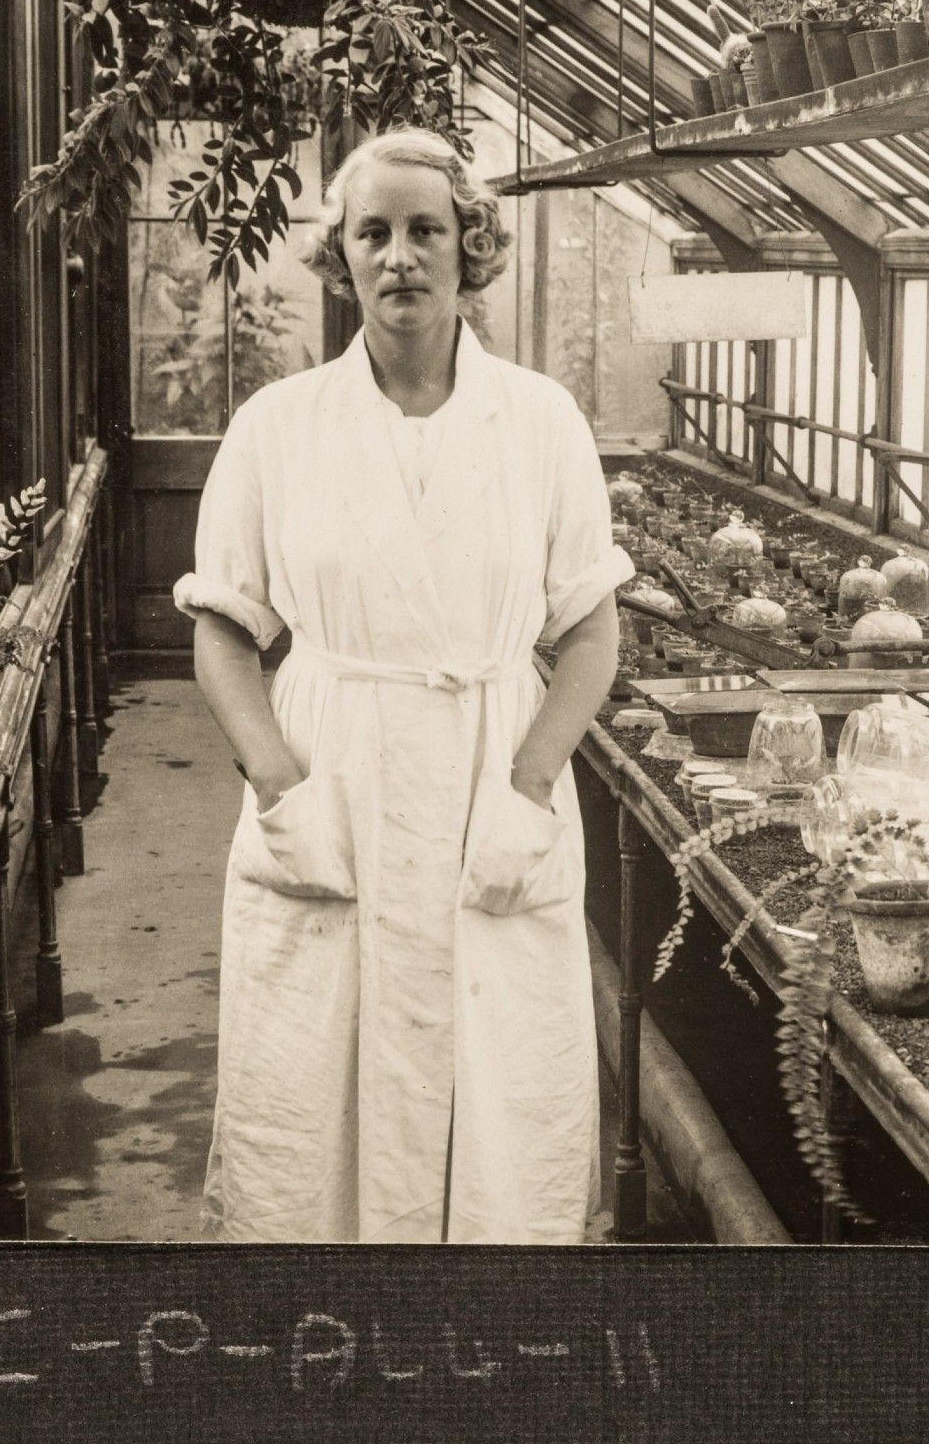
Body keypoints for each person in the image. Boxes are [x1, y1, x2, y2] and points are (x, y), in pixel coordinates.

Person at [173, 126, 635, 1244]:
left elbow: (588, 634)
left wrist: (525, 787)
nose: (398, 257)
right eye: (370, 233)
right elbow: (223, 634)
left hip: (491, 773)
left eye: (425, 230)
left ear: (469, 244)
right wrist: (282, 786)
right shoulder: (277, 427)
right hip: (335, 773)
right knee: (311, 1095)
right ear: (338, 257)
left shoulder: (537, 420)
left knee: (499, 1107)